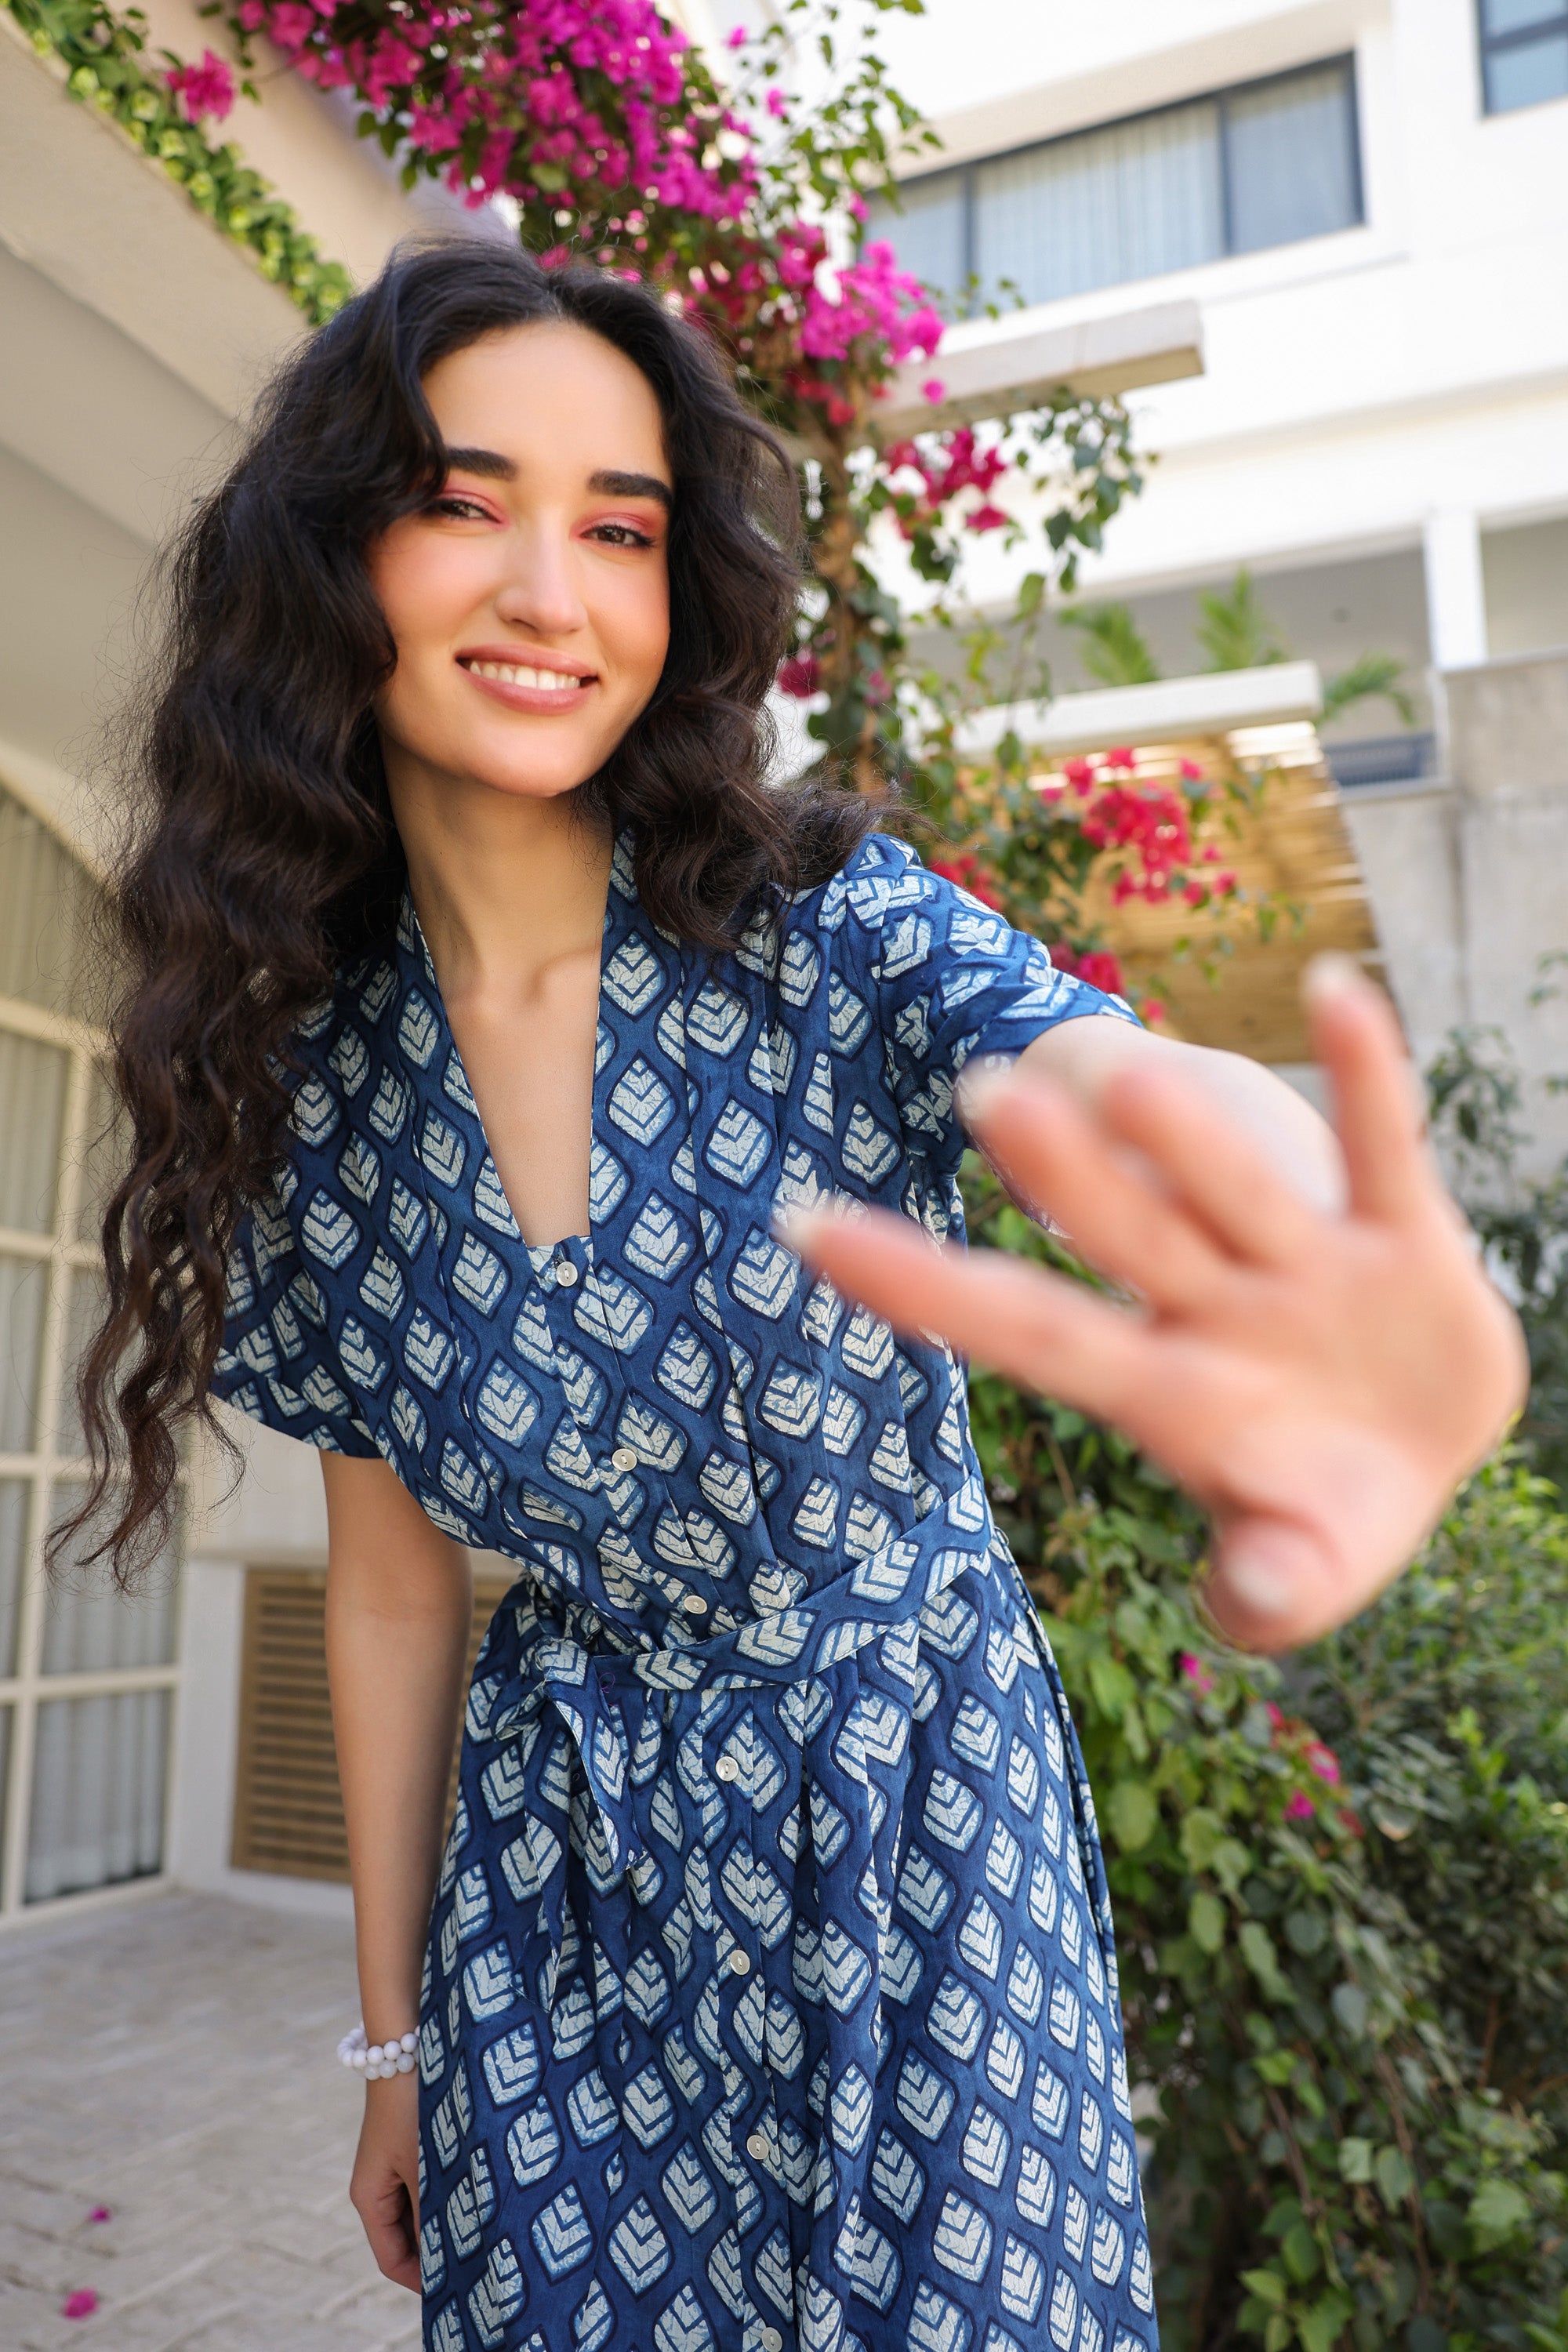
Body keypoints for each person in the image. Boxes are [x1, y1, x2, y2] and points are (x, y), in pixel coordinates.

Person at [74, 240, 1523, 2352]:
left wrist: (1306, 1233)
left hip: (922, 1826)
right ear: (329, 555)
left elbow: (1099, 1072)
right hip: (563, 1898)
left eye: (623, 529)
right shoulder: (306, 1089)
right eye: (467, 501)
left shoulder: (823, 932)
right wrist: (392, 2053)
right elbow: (392, 1590)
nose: (553, 593)